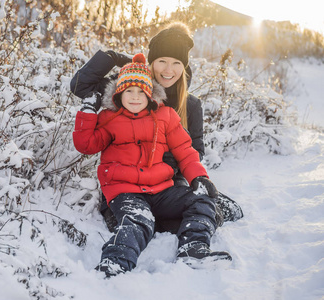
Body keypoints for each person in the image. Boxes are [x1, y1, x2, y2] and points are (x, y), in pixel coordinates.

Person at [70, 22, 243, 233]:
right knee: (148, 224)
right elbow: (80, 85)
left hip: (168, 184)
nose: (168, 70)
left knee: (214, 213)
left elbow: (195, 150)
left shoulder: (190, 105)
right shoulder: (132, 88)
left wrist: (173, 161)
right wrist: (114, 57)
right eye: (161, 61)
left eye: (176, 63)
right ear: (152, 61)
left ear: (184, 67)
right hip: (127, 182)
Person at [73, 53, 232, 277]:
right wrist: (88, 113)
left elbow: (186, 151)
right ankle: (115, 262)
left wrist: (199, 178)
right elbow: (86, 144)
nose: (135, 97)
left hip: (161, 189)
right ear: (119, 93)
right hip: (125, 190)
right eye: (129, 91)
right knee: (138, 220)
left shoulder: (166, 116)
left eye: (141, 92)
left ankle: (193, 249)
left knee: (201, 201)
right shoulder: (110, 118)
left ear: (150, 93)